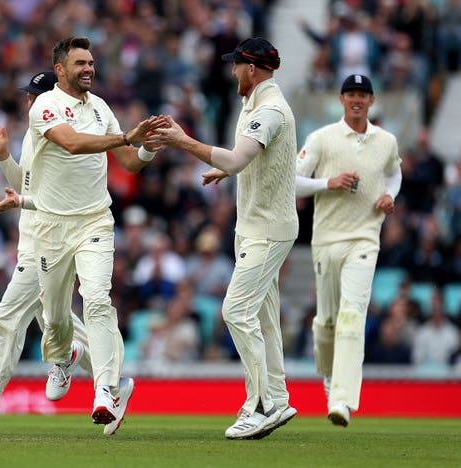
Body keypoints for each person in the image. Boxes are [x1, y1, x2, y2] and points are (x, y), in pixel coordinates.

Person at [0, 36, 166, 435]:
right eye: (80, 62)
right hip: (50, 229)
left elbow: (130, 163)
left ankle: (105, 391)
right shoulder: (46, 108)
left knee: (98, 299)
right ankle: (67, 358)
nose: (89, 68)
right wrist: (125, 137)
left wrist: (147, 147)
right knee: (55, 318)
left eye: (92, 62)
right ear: (60, 70)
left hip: (94, 222)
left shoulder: (100, 107)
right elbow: (71, 145)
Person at [148, 37, 299, 440]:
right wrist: (227, 171)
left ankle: (261, 404)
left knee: (235, 312)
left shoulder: (268, 110)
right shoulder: (257, 105)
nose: (232, 71)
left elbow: (236, 157)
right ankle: (278, 398)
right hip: (257, 227)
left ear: (252, 68)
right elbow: (244, 161)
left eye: (236, 65)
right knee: (264, 320)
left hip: (266, 230)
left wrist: (182, 140)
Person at [0, 71, 93, 435]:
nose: (29, 102)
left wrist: (22, 201)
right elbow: (24, 185)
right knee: (57, 324)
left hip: (47, 245)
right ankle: (113, 382)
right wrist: (4, 158)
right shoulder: (37, 136)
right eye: (28, 96)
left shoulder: (59, 138)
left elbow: (56, 202)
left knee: (6, 323)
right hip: (35, 244)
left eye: (35, 96)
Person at [295, 74, 402, 427]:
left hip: (365, 239)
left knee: (352, 315)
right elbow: (292, 180)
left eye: (363, 95)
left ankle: (341, 399)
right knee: (326, 322)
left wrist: (390, 196)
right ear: (342, 99)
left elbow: (394, 173)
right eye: (351, 94)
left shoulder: (385, 141)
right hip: (326, 240)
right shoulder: (322, 139)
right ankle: (328, 374)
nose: (357, 100)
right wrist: (330, 182)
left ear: (371, 101)